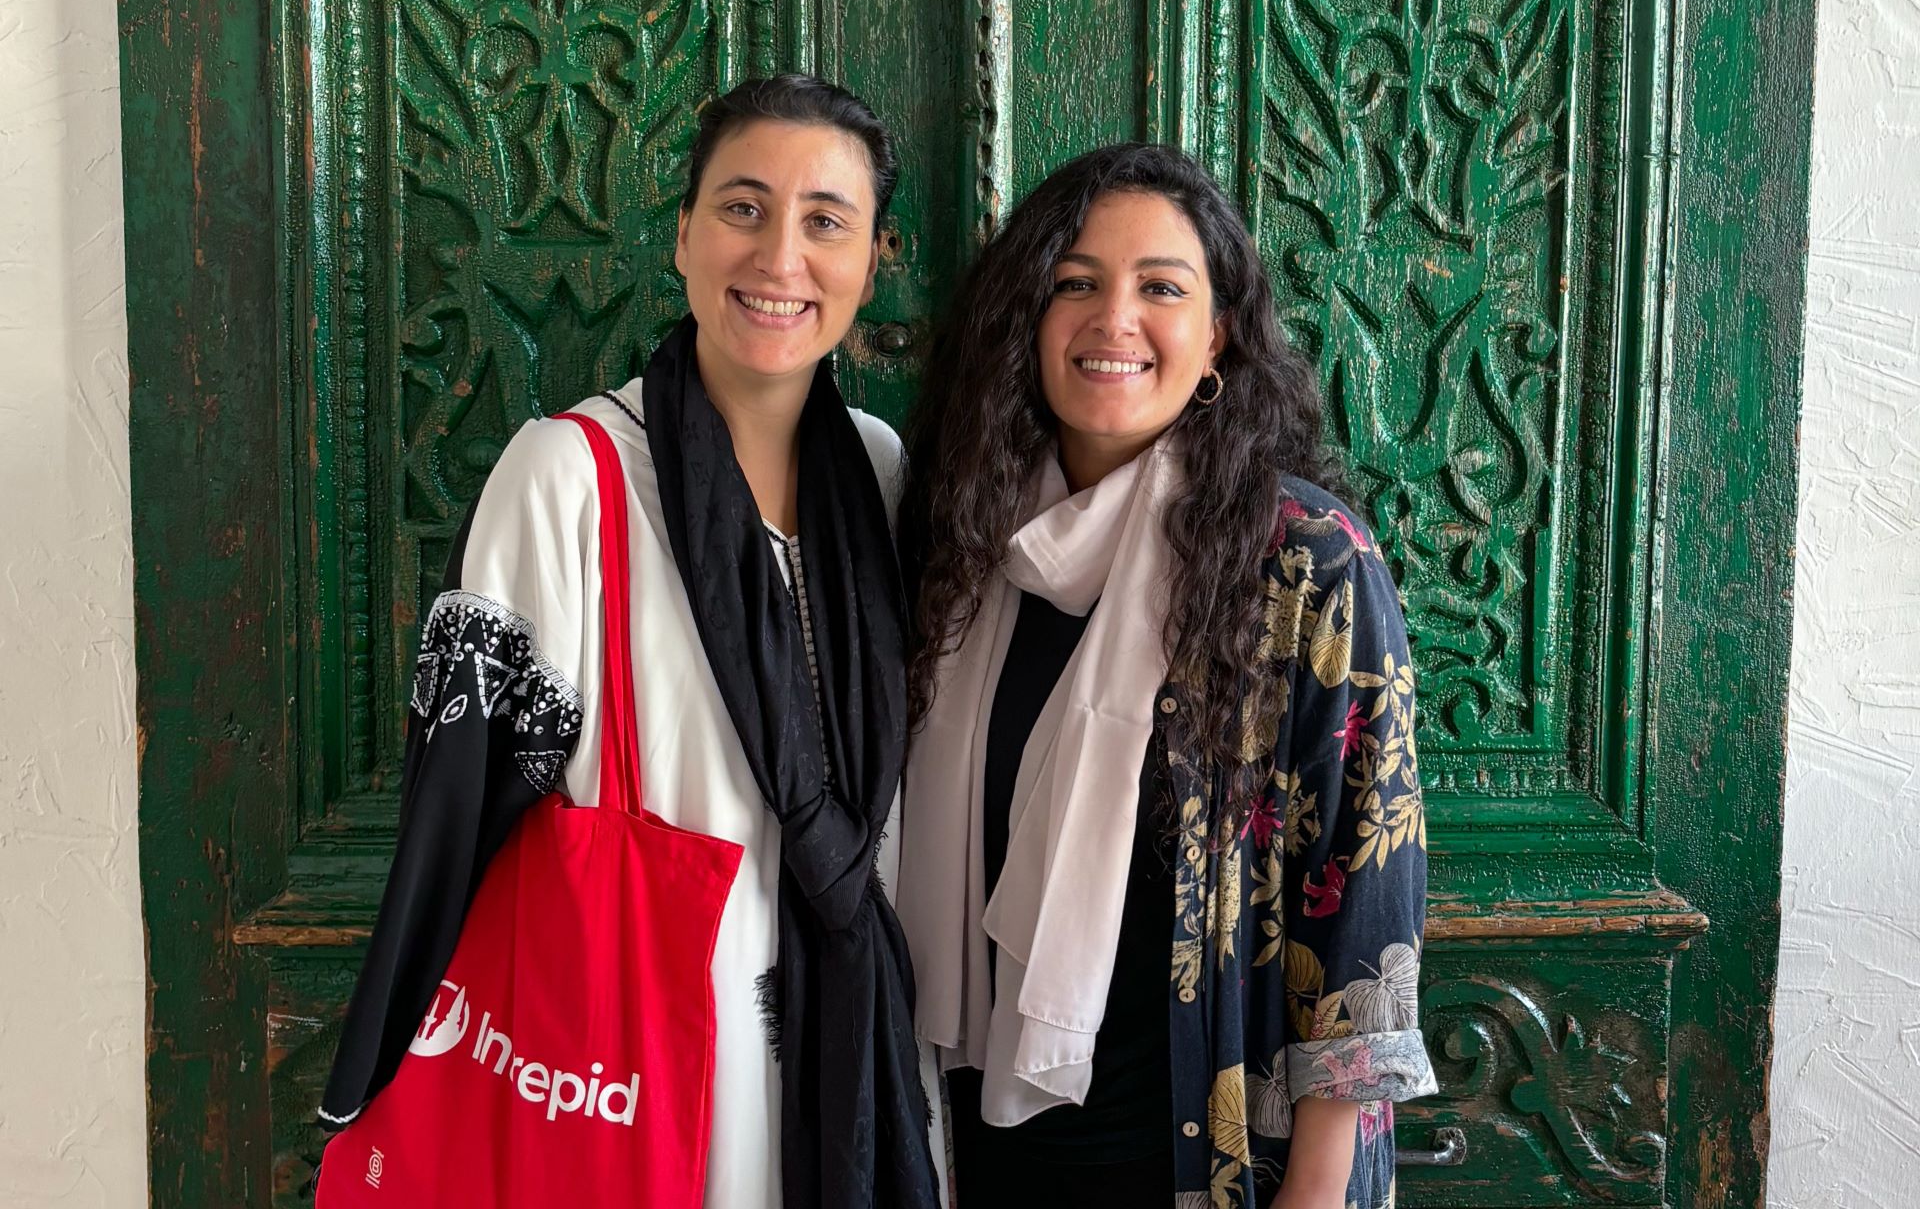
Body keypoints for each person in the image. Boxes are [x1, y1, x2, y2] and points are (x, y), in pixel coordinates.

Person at [319, 74, 941, 1209]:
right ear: (684, 236)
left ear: (870, 258)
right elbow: (459, 815)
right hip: (642, 1073)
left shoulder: (883, 474)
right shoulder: (571, 474)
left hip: (853, 1042)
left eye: (825, 222)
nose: (780, 259)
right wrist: (386, 1062)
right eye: (743, 208)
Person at [896, 143, 1435, 1208]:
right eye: (1076, 284)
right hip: (984, 1154)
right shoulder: (960, 550)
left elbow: (1364, 901)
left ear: (1217, 334)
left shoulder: (1305, 561)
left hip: (1208, 1160)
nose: (1114, 320)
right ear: (1028, 323)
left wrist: (1318, 1195)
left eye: (1160, 288)